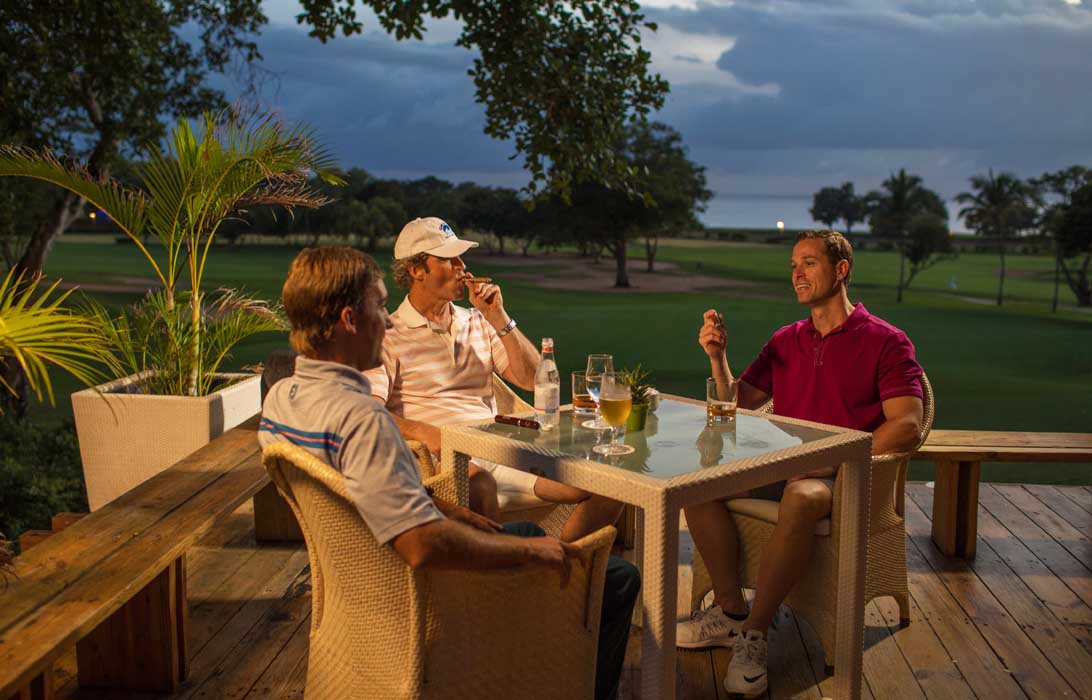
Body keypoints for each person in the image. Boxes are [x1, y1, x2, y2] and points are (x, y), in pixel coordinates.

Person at [259, 247, 639, 700]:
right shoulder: (363, 421)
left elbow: (357, 490)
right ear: (348, 320)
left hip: (366, 586)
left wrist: (455, 512)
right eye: (379, 306)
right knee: (613, 578)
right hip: (434, 595)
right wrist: (530, 552)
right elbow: (422, 545)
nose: (388, 319)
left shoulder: (282, 398)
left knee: (517, 529)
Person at [678, 230, 924, 698]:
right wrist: (718, 358)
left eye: (809, 263)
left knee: (802, 493)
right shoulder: (786, 340)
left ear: (842, 269)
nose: (797, 273)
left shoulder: (887, 342)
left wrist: (831, 463)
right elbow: (737, 405)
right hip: (782, 468)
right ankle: (731, 613)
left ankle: (755, 633)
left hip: (848, 479)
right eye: (793, 265)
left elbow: (906, 425)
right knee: (697, 483)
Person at [364, 217, 624, 542]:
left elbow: (533, 380)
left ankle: (561, 574)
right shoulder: (388, 332)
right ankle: (514, 579)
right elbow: (367, 410)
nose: (462, 266)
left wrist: (498, 317)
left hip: (500, 451)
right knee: (479, 483)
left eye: (461, 257)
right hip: (441, 462)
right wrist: (424, 432)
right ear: (417, 270)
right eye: (449, 259)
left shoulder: (477, 321)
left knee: (613, 481)